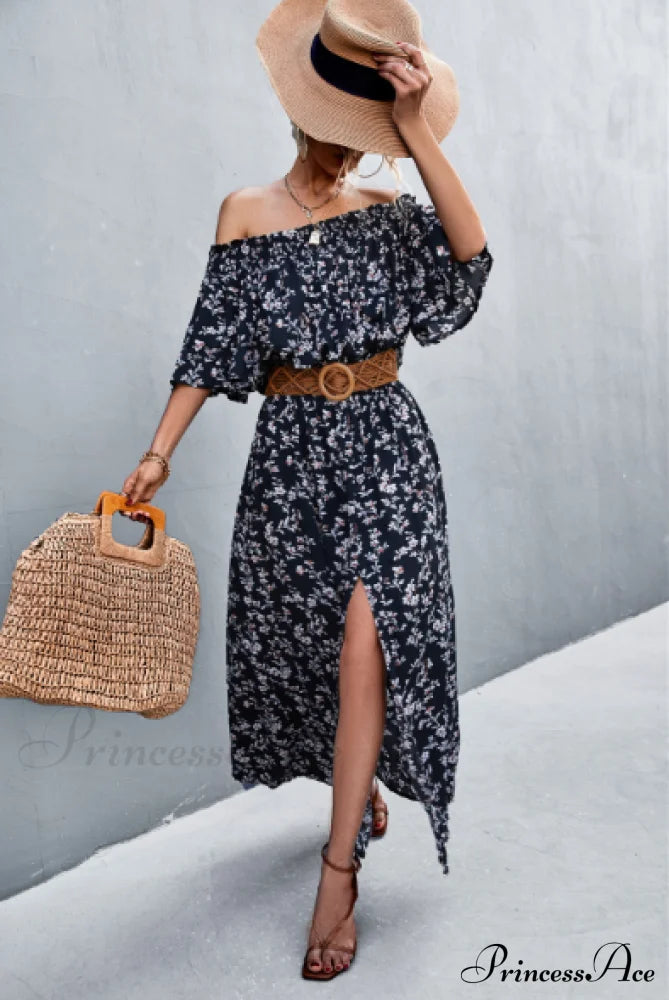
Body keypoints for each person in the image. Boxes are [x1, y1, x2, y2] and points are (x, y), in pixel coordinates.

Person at [120, 0, 494, 983]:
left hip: (387, 454)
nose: (349, 144)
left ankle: (339, 871)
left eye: (368, 128)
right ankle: (353, 785)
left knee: (369, 639)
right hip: (291, 462)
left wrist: (417, 137)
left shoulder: (392, 212)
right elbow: (210, 343)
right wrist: (158, 452)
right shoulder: (244, 212)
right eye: (345, 124)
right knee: (319, 647)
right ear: (302, 111)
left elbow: (472, 261)